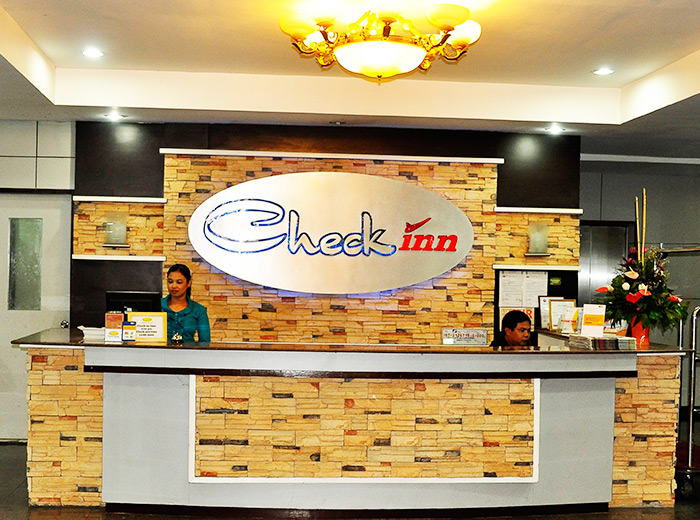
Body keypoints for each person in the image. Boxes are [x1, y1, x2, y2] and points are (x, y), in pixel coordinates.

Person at [161, 263, 210, 342]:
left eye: (179, 282)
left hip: (189, 350)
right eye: (170, 282)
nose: (174, 286)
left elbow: (205, 342)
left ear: (188, 283)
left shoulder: (198, 310)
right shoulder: (157, 305)